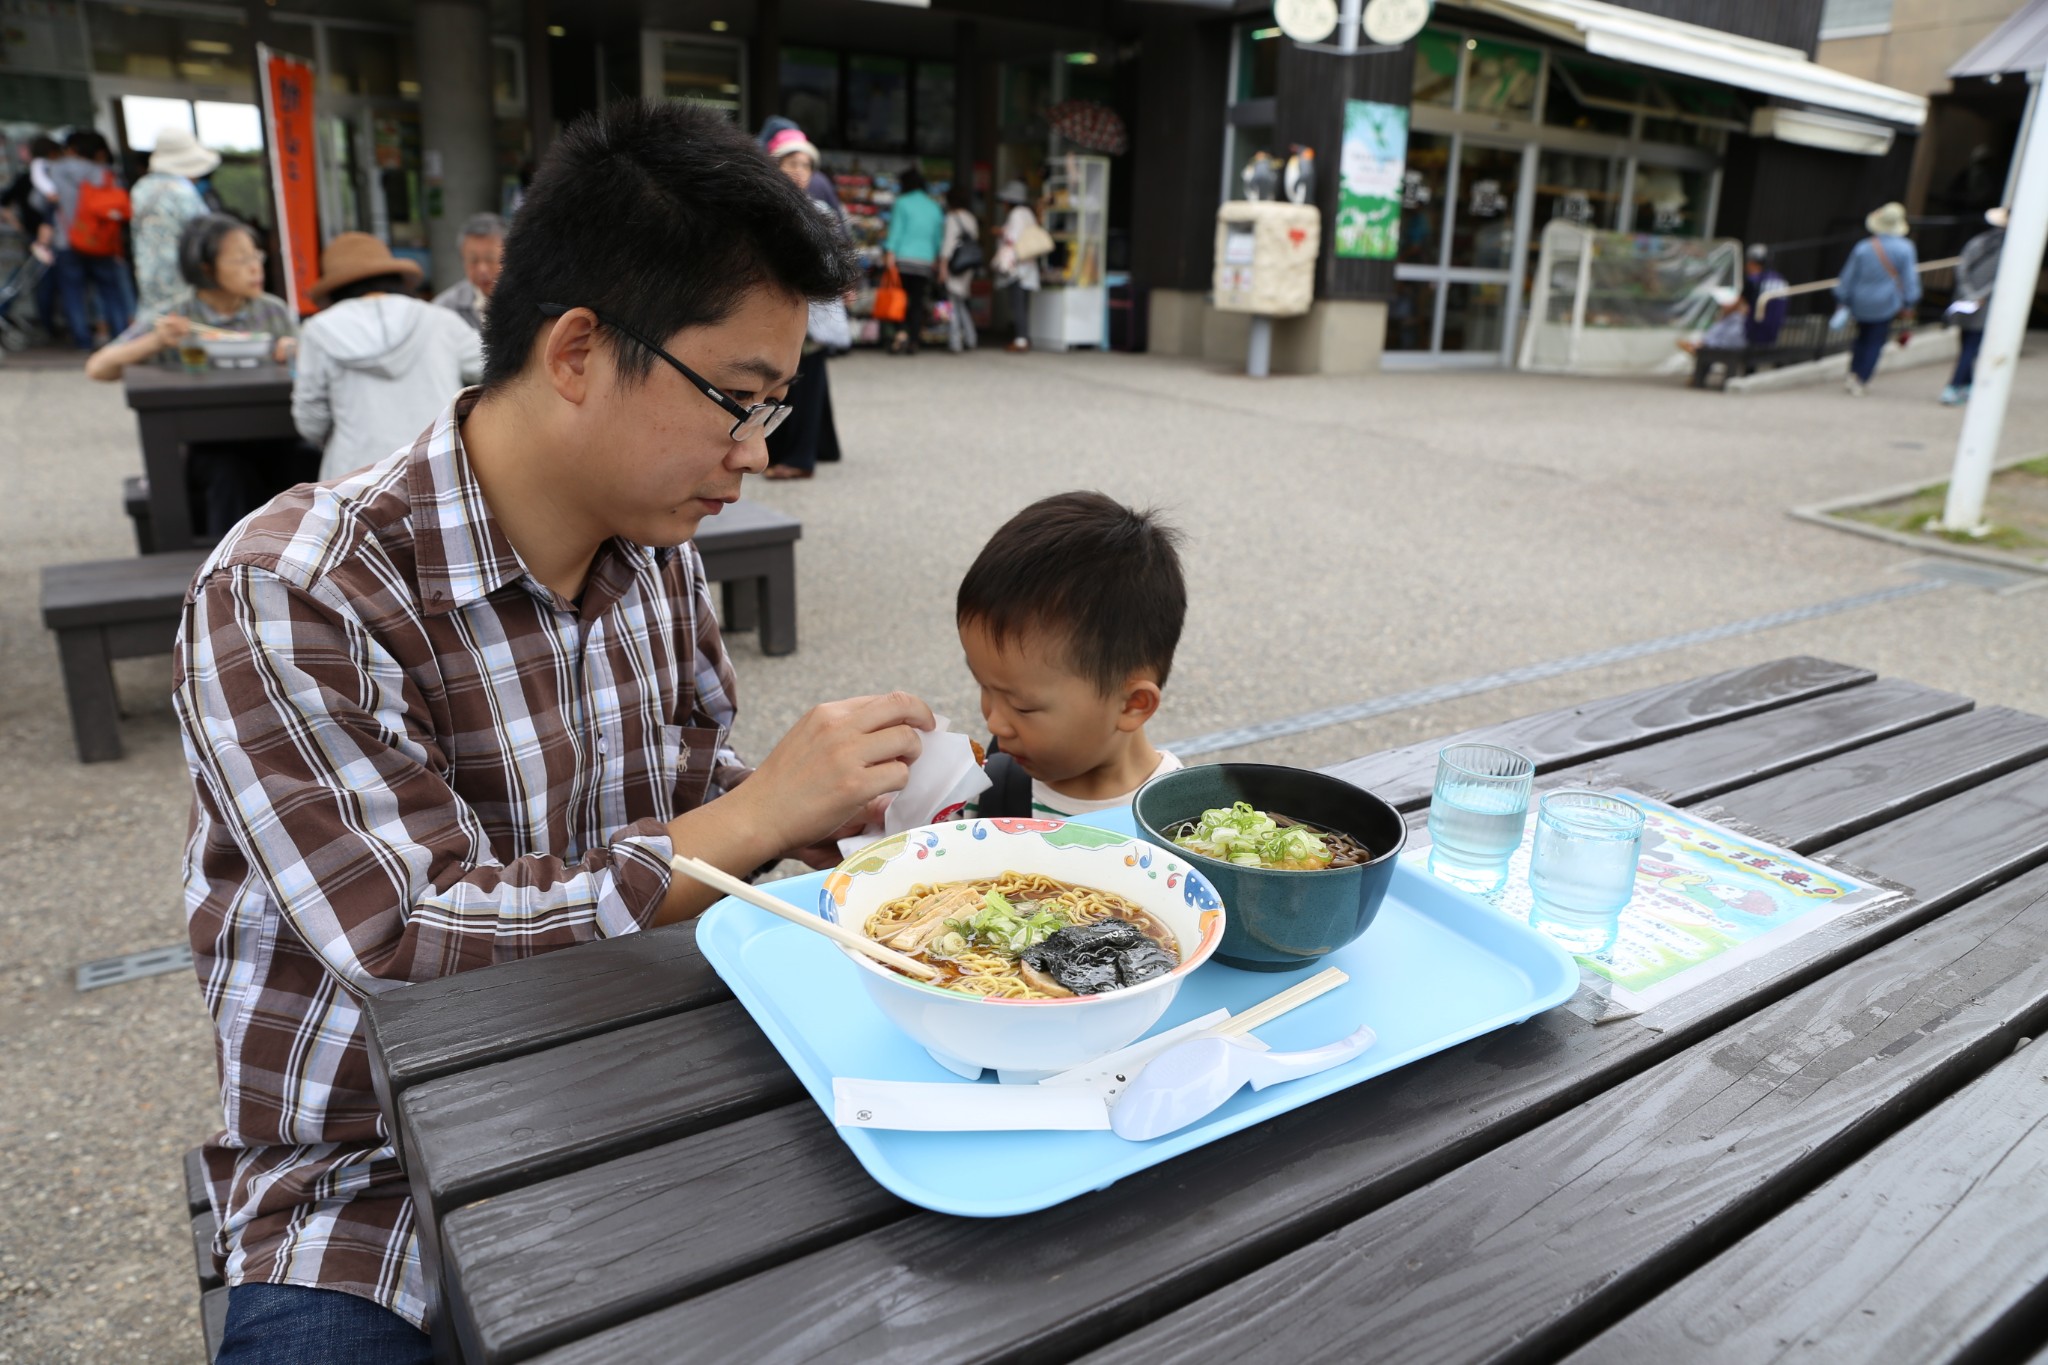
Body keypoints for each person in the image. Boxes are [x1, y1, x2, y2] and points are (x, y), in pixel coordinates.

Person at [178, 97, 932, 1362]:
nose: (753, 454)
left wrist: (832, 826)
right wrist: (752, 818)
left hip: (654, 1085)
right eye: (735, 399)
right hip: (372, 1192)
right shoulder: (295, 587)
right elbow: (400, 939)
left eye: (776, 409)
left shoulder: (657, 549)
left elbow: (697, 787)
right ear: (577, 351)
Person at [958, 492, 1187, 818]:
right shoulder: (982, 796)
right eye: (983, 686)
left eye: (1023, 706)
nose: (994, 723)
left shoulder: (1181, 826)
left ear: (1132, 704)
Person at [86, 215, 305, 537]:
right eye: (241, 259)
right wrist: (157, 340)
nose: (255, 267)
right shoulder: (178, 316)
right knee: (229, 472)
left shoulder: (272, 311)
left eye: (256, 256)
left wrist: (298, 351)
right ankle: (224, 573)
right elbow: (98, 368)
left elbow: (307, 369)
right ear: (205, 267)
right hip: (208, 444)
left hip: (275, 434)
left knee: (305, 465)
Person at [294, 231, 484, 480]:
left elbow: (310, 421)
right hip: (441, 467)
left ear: (334, 288)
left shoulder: (318, 331)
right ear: (395, 278)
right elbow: (496, 368)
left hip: (355, 479)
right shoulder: (439, 320)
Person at [763, 127, 845, 478]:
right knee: (795, 381)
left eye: (806, 165)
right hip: (777, 310)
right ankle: (818, 448)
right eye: (791, 163)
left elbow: (837, 257)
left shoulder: (818, 209)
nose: (799, 170)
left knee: (801, 384)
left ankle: (798, 459)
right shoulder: (766, 207)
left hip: (810, 310)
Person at [46, 129, 134, 348]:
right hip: (102, 241)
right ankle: (121, 340)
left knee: (74, 294)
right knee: (111, 292)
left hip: (67, 240)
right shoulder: (107, 174)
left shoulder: (56, 170)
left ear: (72, 149)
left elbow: (39, 201)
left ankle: (83, 341)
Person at [1834, 201, 1920, 397]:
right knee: (1875, 341)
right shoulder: (1905, 248)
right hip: (1886, 303)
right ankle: (1862, 378)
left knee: (1861, 338)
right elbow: (1909, 279)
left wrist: (1842, 297)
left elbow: (1848, 276)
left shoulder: (1863, 247)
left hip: (1860, 300)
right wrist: (1910, 301)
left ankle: (1853, 372)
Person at [129, 128, 217, 316]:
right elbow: (204, 237)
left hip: (148, 279)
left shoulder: (141, 188)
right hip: (182, 283)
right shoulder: (183, 193)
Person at [1942, 205, 2007, 406]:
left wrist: (1969, 293)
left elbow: (1961, 269)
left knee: (1966, 345)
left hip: (1965, 300)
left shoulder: (1977, 241)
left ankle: (1965, 385)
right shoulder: (2009, 249)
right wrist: (1980, 296)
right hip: (1984, 305)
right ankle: (1954, 386)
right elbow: (2001, 278)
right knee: (1971, 347)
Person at [882, 165, 943, 355]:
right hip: (925, 261)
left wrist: (890, 254)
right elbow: (937, 237)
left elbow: (896, 231)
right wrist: (937, 260)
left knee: (898, 298)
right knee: (917, 302)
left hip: (903, 259)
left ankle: (900, 333)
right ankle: (914, 340)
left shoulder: (902, 202)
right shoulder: (934, 206)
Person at [432, 211, 504, 330]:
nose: (482, 269)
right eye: (473, 260)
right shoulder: (444, 308)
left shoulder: (527, 302)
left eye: (490, 259)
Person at [994, 179, 1041, 353]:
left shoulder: (1016, 215)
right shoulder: (1029, 213)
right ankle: (1024, 337)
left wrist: (999, 232)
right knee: (1023, 304)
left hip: (1018, 265)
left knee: (1017, 304)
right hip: (1028, 264)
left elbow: (1012, 239)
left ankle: (1021, 340)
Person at [1680, 286, 1749, 389]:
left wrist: (1706, 343)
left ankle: (1698, 375)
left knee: (1702, 352)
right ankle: (1698, 374)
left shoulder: (1737, 319)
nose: (1722, 306)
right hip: (1717, 345)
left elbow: (1732, 340)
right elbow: (1714, 333)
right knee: (1699, 350)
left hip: (1726, 348)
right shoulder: (1725, 318)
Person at [939, 183, 979, 354]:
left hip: (954, 265)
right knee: (960, 302)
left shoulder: (951, 217)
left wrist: (942, 267)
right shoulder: (971, 218)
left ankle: (955, 342)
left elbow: (948, 244)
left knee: (952, 304)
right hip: (968, 264)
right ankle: (971, 338)